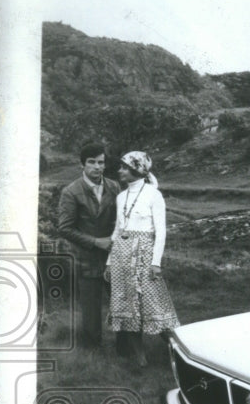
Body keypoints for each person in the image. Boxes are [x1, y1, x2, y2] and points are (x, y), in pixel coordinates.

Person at [105, 151, 179, 366]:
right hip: (121, 255)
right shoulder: (121, 196)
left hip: (145, 255)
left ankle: (180, 350)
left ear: (137, 170)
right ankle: (140, 358)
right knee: (126, 305)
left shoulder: (153, 195)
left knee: (152, 303)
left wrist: (156, 262)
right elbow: (118, 230)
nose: (120, 171)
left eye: (124, 167)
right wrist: (110, 261)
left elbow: (161, 231)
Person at [57, 143, 119, 348]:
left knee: (122, 306)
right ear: (83, 164)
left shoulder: (114, 187)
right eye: (91, 162)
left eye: (101, 162)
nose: (97, 167)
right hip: (87, 259)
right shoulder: (71, 192)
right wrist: (95, 242)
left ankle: (126, 351)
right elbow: (65, 228)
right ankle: (93, 353)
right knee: (91, 313)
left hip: (114, 257)